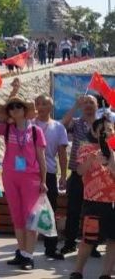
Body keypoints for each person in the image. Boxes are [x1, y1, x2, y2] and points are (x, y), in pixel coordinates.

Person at [0, 95, 47, 270]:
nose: (15, 109)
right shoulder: (7, 129)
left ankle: (29, 257)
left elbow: (41, 157)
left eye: (18, 106)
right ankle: (22, 253)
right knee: (17, 216)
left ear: (25, 110)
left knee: (30, 217)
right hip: (10, 177)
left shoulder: (35, 131)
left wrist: (44, 181)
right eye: (12, 107)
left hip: (31, 178)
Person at [68, 117, 115, 279]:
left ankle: (106, 274)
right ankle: (78, 271)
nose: (106, 132)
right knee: (88, 239)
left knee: (113, 240)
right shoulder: (86, 149)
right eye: (103, 130)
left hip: (113, 202)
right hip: (93, 201)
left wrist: (111, 161)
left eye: (110, 129)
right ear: (94, 132)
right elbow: (79, 172)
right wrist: (91, 159)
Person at [61, 94, 101, 256]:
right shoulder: (76, 123)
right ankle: (70, 243)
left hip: (97, 176)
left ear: (97, 106)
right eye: (85, 103)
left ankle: (92, 246)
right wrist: (75, 107)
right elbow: (63, 124)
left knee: (94, 213)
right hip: (77, 175)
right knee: (73, 210)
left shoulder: (102, 125)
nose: (88, 105)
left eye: (91, 102)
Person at [33, 94, 68, 260]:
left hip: (50, 174)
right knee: (28, 211)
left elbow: (62, 153)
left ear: (50, 107)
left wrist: (63, 174)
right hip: (29, 174)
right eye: (37, 103)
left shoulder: (58, 127)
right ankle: (25, 250)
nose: (39, 106)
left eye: (44, 104)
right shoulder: (28, 124)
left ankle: (50, 248)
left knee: (49, 211)